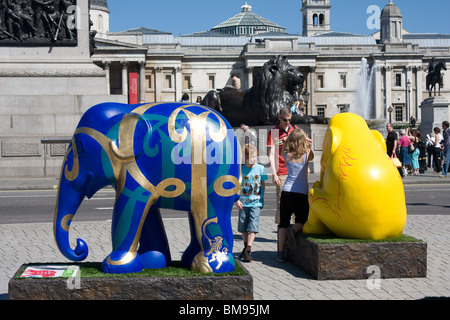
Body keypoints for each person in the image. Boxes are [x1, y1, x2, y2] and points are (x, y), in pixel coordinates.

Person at [276, 129, 314, 262]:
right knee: (302, 220)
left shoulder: (287, 154)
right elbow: (312, 153)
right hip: (301, 193)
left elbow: (283, 146)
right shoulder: (306, 153)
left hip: (287, 191)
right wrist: (308, 142)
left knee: (283, 223)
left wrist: (286, 140)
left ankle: (280, 253)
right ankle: (293, 231)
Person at [235, 144, 267, 262]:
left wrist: (262, 198)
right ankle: (245, 248)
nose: (255, 159)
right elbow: (236, 186)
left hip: (256, 203)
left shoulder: (260, 168)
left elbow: (263, 184)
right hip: (243, 203)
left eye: (256, 157)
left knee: (253, 226)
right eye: (252, 157)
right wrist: (237, 200)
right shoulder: (240, 169)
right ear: (246, 157)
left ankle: (248, 249)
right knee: (243, 227)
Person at [267, 107, 297, 224]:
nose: (287, 122)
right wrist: (274, 174)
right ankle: (283, 227)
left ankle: (296, 229)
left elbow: (300, 150)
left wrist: (306, 166)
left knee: (296, 201)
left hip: (295, 171)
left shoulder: (294, 130)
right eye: (285, 120)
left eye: (289, 120)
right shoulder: (273, 132)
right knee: (282, 201)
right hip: (281, 171)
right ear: (279, 118)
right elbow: (271, 154)